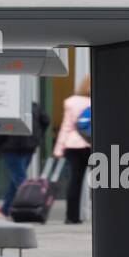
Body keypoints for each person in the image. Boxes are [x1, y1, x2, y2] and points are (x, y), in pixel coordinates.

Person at [0, 103, 46, 219]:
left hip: (11, 148)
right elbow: (46, 121)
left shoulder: (7, 105)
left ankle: (34, 208)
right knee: (16, 180)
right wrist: (37, 138)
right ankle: (5, 209)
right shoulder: (33, 106)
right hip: (28, 147)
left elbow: (0, 128)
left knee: (20, 181)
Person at [51, 74, 93, 224]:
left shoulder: (71, 102)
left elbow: (66, 127)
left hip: (73, 145)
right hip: (92, 145)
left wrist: (58, 149)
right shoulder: (98, 100)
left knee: (75, 181)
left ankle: (71, 216)